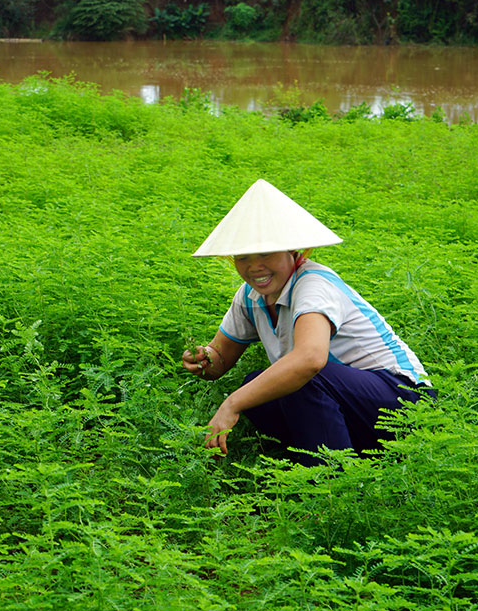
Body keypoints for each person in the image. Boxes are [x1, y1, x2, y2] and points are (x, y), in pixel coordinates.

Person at [181, 179, 432, 466]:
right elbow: (220, 357)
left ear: (294, 251)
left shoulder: (313, 284)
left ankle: (331, 481)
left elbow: (310, 360)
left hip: (404, 400)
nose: (253, 266)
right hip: (354, 404)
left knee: (302, 377)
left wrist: (232, 404)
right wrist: (204, 359)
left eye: (265, 253)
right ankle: (339, 461)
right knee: (258, 386)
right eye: (243, 257)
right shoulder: (250, 297)